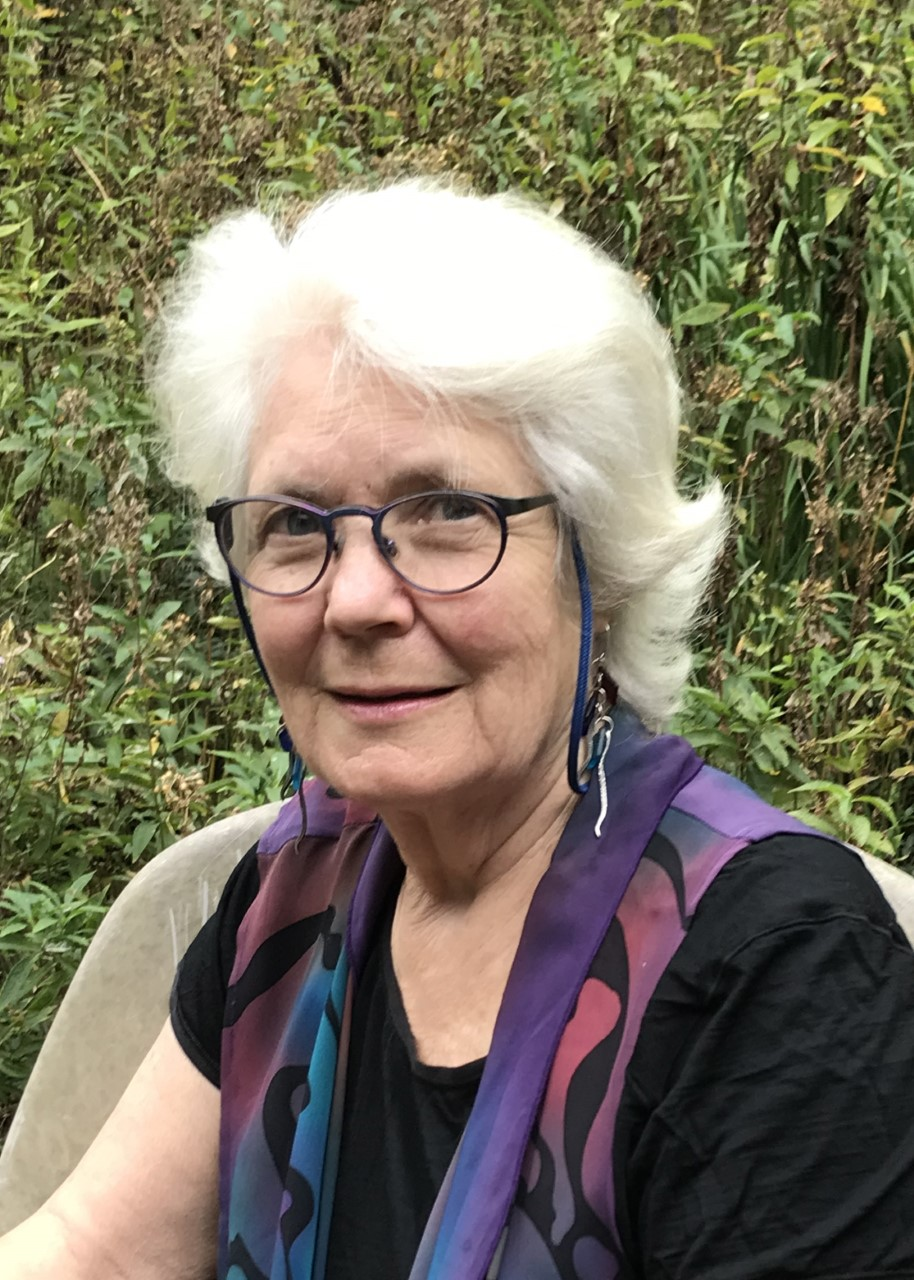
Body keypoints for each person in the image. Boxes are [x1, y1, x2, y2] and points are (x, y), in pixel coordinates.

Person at [2, 179, 913, 1280]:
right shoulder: (293, 897)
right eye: (294, 524)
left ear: (598, 561)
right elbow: (94, 1251)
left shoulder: (781, 969)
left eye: (445, 512)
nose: (355, 600)